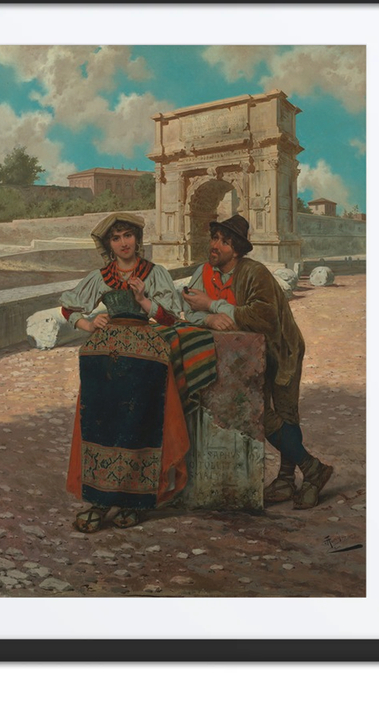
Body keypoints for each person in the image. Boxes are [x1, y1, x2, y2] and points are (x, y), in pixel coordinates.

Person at [182, 214, 334, 509]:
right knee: (259, 412)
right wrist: (209, 316)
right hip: (242, 354)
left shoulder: (255, 273)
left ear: (237, 250)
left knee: (284, 414)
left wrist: (213, 305)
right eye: (215, 238)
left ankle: (296, 476)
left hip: (280, 348)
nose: (215, 245)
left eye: (224, 242)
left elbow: (263, 317)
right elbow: (189, 311)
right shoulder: (203, 272)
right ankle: (306, 473)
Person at [60, 212, 191, 533]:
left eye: (128, 235)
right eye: (116, 238)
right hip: (104, 357)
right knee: (101, 423)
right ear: (109, 245)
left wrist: (144, 300)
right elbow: (68, 307)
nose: (123, 243)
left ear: (138, 239)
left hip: (145, 356)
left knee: (141, 424)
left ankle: (136, 501)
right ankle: (101, 499)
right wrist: (89, 323)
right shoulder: (100, 276)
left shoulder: (155, 273)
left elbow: (172, 318)